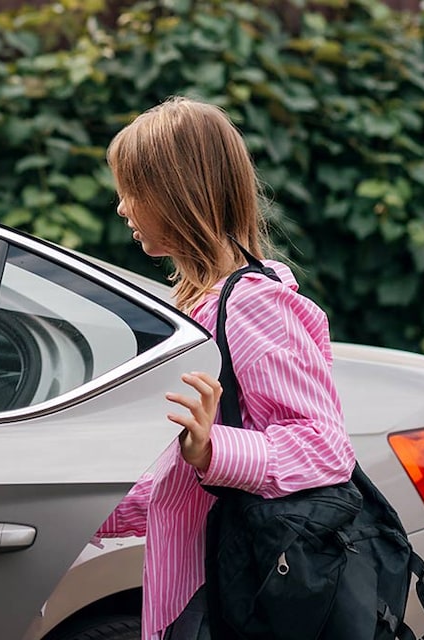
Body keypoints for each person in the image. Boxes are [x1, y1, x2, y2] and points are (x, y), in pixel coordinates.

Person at [94, 96, 356, 639]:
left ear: (176, 193)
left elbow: (325, 448)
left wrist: (214, 450)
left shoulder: (251, 305)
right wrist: (79, 511)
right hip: (200, 593)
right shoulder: (202, 307)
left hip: (229, 601)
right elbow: (181, 486)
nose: (122, 208)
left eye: (132, 190)